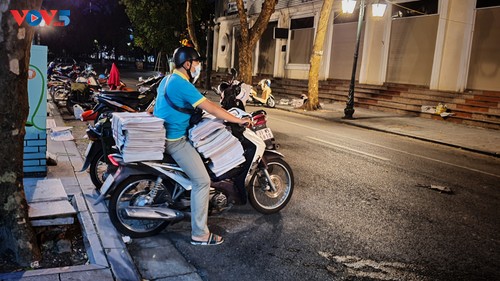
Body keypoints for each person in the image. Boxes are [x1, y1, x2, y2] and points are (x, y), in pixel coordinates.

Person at [153, 46, 251, 246]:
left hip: (162, 135)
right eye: (197, 63)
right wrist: (238, 120)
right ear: (187, 64)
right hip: (174, 141)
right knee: (202, 181)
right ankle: (199, 234)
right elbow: (211, 107)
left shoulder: (166, 80)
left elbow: (158, 106)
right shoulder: (182, 84)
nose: (199, 67)